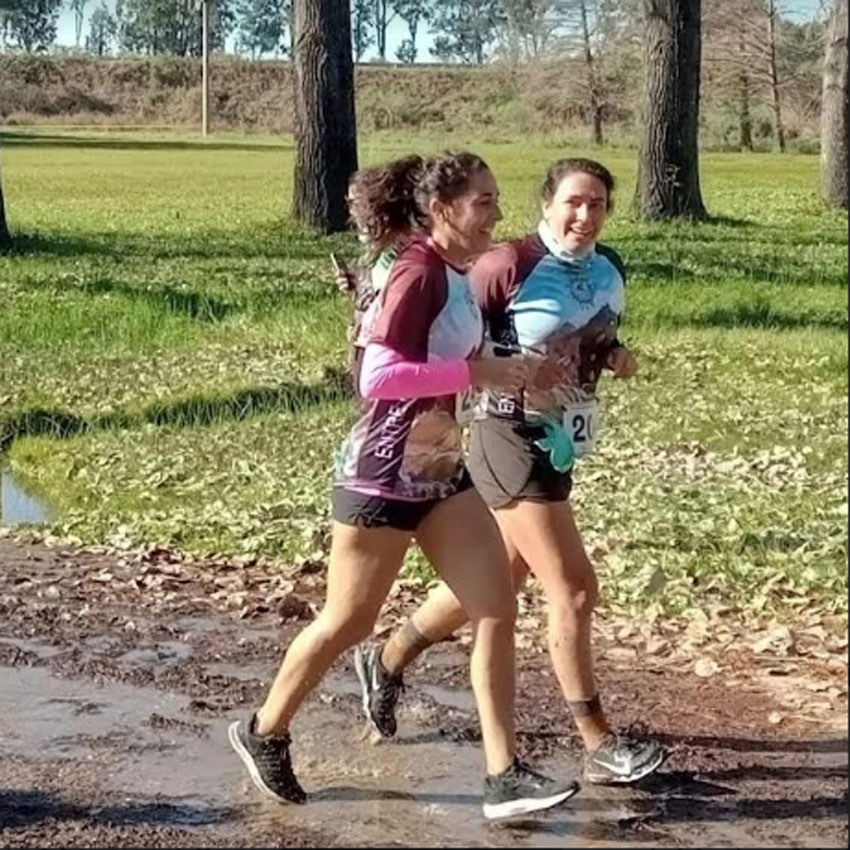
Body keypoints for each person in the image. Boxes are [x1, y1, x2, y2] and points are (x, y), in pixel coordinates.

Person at [229, 151, 579, 820]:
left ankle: (503, 776)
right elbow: (379, 378)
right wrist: (474, 374)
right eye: (483, 200)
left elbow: (449, 354)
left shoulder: (455, 271)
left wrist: (512, 368)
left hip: (442, 471)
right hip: (383, 474)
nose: (496, 213)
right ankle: (264, 730)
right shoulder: (418, 271)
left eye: (495, 199)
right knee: (349, 620)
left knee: (495, 606)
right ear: (443, 209)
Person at [353, 157, 667, 786]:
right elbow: (445, 328)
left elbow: (591, 335)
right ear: (547, 204)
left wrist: (614, 354)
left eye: (598, 204)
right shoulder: (508, 265)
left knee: (499, 577)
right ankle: (597, 742)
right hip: (505, 436)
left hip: (559, 438)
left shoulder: (609, 268)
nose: (585, 215)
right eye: (573, 202)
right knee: (574, 587)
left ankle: (387, 659)